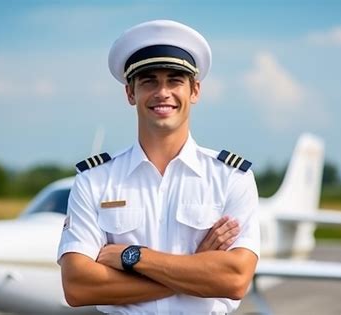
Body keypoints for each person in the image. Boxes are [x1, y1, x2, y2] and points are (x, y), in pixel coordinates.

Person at [57, 19, 260, 314]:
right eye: (148, 80)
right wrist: (197, 266)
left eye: (175, 80)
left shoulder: (231, 177)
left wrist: (132, 257)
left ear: (195, 91)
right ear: (130, 93)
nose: (162, 92)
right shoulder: (94, 180)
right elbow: (77, 286)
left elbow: (234, 279)